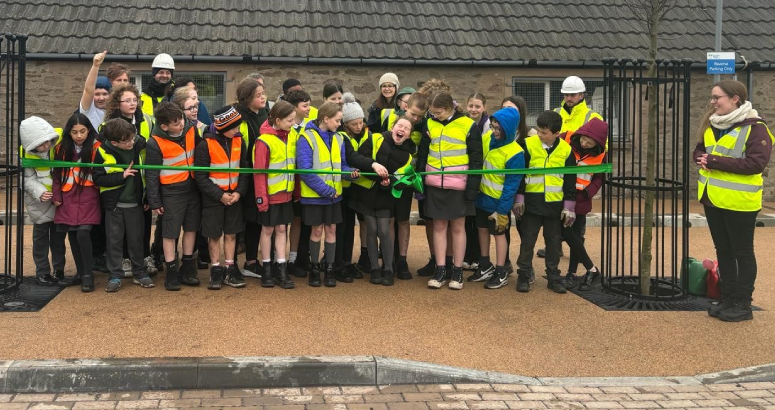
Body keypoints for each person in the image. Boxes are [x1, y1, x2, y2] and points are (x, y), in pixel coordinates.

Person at [694, 80, 774, 322]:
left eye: (717, 97)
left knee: (742, 252)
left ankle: (743, 304)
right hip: (713, 198)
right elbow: (699, 149)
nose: (712, 101)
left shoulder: (756, 128)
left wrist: (714, 161)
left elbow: (755, 164)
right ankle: (728, 297)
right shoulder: (713, 124)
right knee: (724, 251)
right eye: (712, 97)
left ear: (734, 99)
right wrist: (701, 157)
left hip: (740, 202)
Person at [416, 92, 483, 290]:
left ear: (447, 109)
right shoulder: (430, 124)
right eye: (432, 113)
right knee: (438, 227)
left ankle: (457, 271)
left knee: (458, 228)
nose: (434, 116)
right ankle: (440, 269)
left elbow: (476, 160)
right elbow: (423, 154)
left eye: (437, 113)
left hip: (459, 186)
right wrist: (419, 182)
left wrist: (472, 190)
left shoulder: (468, 126)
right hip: (435, 184)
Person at [512, 110, 576, 294]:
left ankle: (554, 277)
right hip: (531, 204)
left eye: (544, 132)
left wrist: (569, 206)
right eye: (538, 130)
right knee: (528, 241)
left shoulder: (566, 150)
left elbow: (570, 180)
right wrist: (519, 198)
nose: (539, 134)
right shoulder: (527, 145)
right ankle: (524, 274)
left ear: (556, 134)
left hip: (554, 206)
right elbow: (519, 174)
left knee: (554, 242)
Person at [296, 102, 359, 287]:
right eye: (337, 120)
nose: (340, 124)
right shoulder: (306, 138)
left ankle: (329, 268)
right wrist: (326, 190)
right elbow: (305, 171)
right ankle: (314, 268)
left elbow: (342, 166)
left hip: (333, 196)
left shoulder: (339, 138)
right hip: (316, 196)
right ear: (325, 118)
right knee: (316, 231)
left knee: (331, 230)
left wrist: (350, 173)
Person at [92, 119, 155, 292]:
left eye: (132, 138)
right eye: (127, 141)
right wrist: (122, 176)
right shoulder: (102, 152)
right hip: (114, 205)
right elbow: (98, 178)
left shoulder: (139, 145)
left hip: (135, 204)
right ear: (114, 143)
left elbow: (147, 173)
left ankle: (140, 273)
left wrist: (148, 198)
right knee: (114, 241)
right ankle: (115, 275)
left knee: (137, 240)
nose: (131, 142)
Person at [351, 117, 415, 285]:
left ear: (409, 135)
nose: (402, 129)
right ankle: (374, 268)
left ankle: (388, 269)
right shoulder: (375, 138)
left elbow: (401, 179)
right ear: (393, 127)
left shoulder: (408, 156)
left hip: (386, 196)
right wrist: (373, 165)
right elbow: (358, 158)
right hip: (368, 192)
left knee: (385, 231)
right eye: (400, 125)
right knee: (371, 229)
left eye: (406, 128)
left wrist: (389, 183)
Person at [146, 102, 202, 291]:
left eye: (182, 120)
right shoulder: (154, 142)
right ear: (164, 126)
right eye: (177, 123)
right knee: (170, 232)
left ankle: (187, 266)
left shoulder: (191, 129)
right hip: (171, 191)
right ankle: (171, 270)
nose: (181, 125)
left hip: (192, 187)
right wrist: (154, 200)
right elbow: (151, 173)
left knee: (191, 228)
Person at [103, 83, 156, 276]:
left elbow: (151, 144)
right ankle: (124, 260)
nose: (133, 103)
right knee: (119, 229)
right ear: (118, 103)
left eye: (135, 100)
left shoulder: (148, 120)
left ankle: (144, 257)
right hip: (120, 183)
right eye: (128, 100)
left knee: (143, 222)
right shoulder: (109, 125)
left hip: (142, 178)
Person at [195, 106, 250, 290]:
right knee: (214, 235)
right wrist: (220, 195)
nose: (238, 130)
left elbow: (244, 170)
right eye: (234, 127)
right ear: (222, 127)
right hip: (214, 199)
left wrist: (239, 193)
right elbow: (200, 177)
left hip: (234, 197)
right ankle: (215, 270)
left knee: (232, 234)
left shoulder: (239, 142)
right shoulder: (205, 145)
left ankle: (230, 268)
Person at [471, 107, 524, 289]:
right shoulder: (487, 138)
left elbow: (511, 186)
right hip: (482, 197)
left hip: (498, 202)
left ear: (508, 129)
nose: (494, 131)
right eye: (493, 127)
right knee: (482, 230)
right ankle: (485, 265)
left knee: (499, 235)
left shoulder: (516, 153)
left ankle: (501, 271)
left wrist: (502, 211)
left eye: (498, 128)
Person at [336, 93, 387, 282]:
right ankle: (342, 262)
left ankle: (363, 257)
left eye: (360, 122)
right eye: (354, 124)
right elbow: (351, 157)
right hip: (346, 187)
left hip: (365, 188)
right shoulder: (341, 136)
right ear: (346, 124)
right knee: (345, 226)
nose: (359, 127)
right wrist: (372, 165)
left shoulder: (370, 135)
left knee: (365, 224)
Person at [52, 113, 102, 292]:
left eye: (82, 131)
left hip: (89, 195)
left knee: (82, 233)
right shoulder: (61, 148)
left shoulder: (97, 147)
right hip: (68, 197)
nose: (79, 136)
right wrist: (56, 195)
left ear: (89, 130)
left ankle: (88, 274)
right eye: (74, 132)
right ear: (69, 132)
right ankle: (80, 273)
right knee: (72, 234)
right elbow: (56, 175)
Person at [558, 118, 607, 291]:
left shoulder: (601, 154)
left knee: (575, 235)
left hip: (581, 197)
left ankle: (572, 273)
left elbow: (600, 177)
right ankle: (592, 270)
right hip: (561, 193)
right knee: (566, 233)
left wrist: (589, 192)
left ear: (597, 143)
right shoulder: (566, 137)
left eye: (590, 142)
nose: (584, 143)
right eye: (583, 139)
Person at [254, 101, 298, 289]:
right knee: (268, 230)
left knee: (282, 229)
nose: (293, 123)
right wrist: (262, 198)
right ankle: (266, 268)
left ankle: (281, 267)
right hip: (270, 195)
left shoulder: (293, 135)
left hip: (286, 194)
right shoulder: (264, 141)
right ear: (278, 120)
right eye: (289, 120)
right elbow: (259, 172)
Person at [20, 116, 66, 286]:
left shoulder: (57, 149)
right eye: (41, 144)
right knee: (40, 241)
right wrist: (39, 192)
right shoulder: (25, 155)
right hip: (39, 204)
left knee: (58, 238)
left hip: (57, 202)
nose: (46, 146)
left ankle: (59, 269)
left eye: (48, 141)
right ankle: (43, 271)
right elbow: (26, 179)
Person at [233, 78, 269, 276]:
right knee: (242, 220)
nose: (263, 97)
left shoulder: (266, 114)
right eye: (258, 95)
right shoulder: (240, 119)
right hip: (243, 176)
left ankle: (252, 262)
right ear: (247, 99)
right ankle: (235, 263)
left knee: (256, 220)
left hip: (260, 177)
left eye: (263, 93)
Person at [285, 89, 314, 278]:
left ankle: (303, 257)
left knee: (306, 222)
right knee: (291, 222)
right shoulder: (286, 128)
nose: (309, 108)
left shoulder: (310, 127)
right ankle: (290, 259)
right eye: (305, 105)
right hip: (290, 182)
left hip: (308, 182)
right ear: (295, 108)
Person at [462, 92, 490, 271]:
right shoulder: (463, 124)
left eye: (477, 106)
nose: (474, 109)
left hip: (485, 177)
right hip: (466, 175)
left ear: (484, 108)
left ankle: (480, 257)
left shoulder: (489, 125)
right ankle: (466, 255)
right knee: (466, 220)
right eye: (471, 106)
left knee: (480, 221)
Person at [79, 51, 110, 129]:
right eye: (97, 94)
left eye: (105, 94)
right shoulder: (89, 110)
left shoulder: (117, 110)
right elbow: (88, 90)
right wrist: (95, 66)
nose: (101, 98)